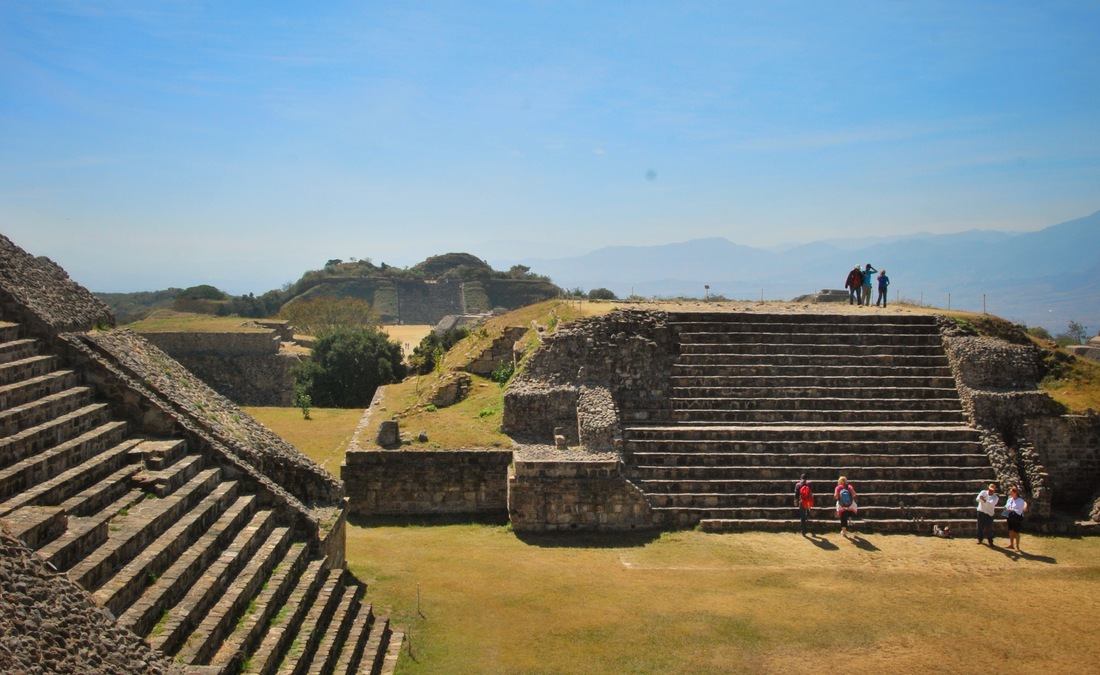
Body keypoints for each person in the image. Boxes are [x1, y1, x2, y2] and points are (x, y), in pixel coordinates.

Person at [1003, 486, 1029, 552]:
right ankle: (1011, 545)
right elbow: (1006, 506)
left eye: (1011, 492)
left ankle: (1017, 546)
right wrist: (1007, 508)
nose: (1010, 494)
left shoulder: (1020, 500)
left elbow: (1022, 508)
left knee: (1016, 532)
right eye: (1010, 493)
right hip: (1009, 516)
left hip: (1016, 517)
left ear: (1016, 493)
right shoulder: (1009, 499)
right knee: (1011, 530)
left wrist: (1013, 509)